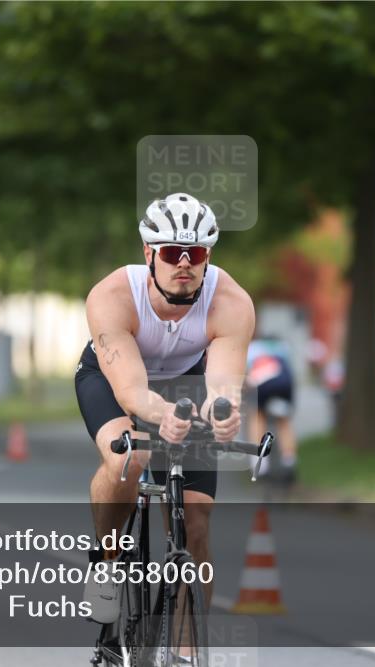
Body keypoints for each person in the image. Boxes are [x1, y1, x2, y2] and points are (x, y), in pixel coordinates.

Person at [75, 193, 254, 626]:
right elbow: (133, 392)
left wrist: (222, 414)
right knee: (129, 455)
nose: (184, 263)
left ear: (207, 256)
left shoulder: (231, 302)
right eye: (173, 252)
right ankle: (107, 558)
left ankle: (187, 653)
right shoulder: (113, 296)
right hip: (114, 376)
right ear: (149, 253)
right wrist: (162, 416)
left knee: (196, 527)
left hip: (184, 382)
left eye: (194, 253)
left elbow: (223, 383)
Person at [246, 335, 298, 484]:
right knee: (283, 421)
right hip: (284, 382)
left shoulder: (251, 348)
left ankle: (260, 465)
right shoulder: (282, 346)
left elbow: (247, 374)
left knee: (257, 416)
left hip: (262, 384)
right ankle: (289, 461)